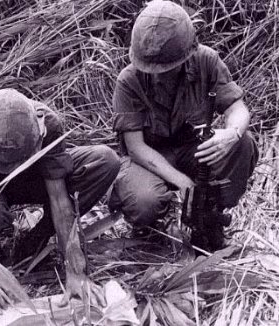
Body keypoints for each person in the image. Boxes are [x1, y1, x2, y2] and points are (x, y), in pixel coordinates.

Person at [0, 88, 120, 313]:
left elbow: (59, 200)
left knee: (104, 161)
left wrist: (76, 270)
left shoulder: (46, 123)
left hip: (32, 179)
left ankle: (36, 239)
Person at [109, 0, 258, 251]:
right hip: (147, 158)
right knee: (144, 201)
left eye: (166, 68)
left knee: (243, 142)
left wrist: (231, 134)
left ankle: (211, 213)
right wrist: (183, 183)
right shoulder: (129, 80)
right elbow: (135, 148)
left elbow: (238, 109)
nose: (157, 74)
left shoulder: (206, 61)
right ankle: (150, 229)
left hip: (193, 150)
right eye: (150, 67)